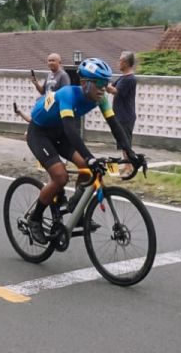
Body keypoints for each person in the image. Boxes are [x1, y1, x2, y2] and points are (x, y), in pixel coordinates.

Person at [23, 57, 142, 244]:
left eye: (106, 83)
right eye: (100, 83)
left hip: (59, 133)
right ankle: (35, 218)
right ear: (85, 83)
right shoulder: (67, 95)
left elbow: (115, 125)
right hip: (40, 133)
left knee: (87, 169)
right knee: (61, 177)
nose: (104, 88)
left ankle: (75, 207)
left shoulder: (100, 99)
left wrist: (130, 152)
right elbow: (71, 130)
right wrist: (90, 157)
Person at [107, 51, 138, 177]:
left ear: (125, 62)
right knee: (123, 141)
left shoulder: (129, 79)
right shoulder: (122, 77)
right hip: (120, 114)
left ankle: (129, 166)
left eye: (120, 60)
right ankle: (127, 165)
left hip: (125, 115)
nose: (118, 63)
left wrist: (103, 83)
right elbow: (111, 87)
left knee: (126, 142)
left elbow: (114, 90)